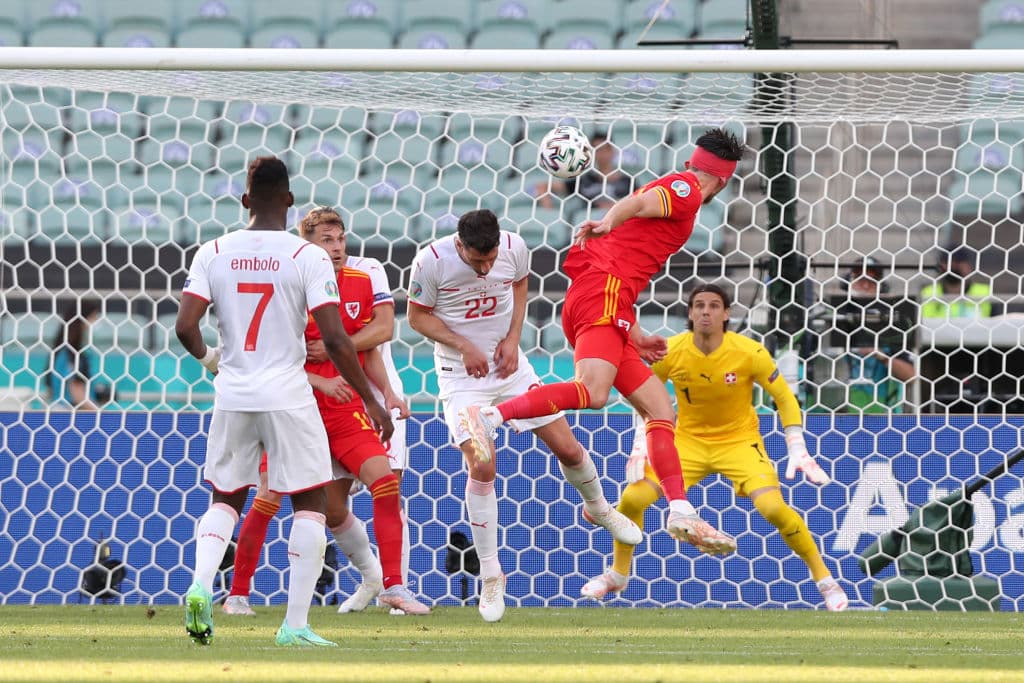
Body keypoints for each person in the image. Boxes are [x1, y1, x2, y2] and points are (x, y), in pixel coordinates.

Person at [460, 128, 744, 553]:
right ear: (723, 178)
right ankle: (490, 418)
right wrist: (611, 217)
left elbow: (633, 245)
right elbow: (638, 203)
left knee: (660, 410)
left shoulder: (683, 189)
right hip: (603, 292)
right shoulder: (686, 189)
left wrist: (633, 331)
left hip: (609, 300)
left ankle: (680, 510)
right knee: (592, 393)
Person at [175, 156, 392, 647]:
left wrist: (213, 361)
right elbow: (336, 340)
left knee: (226, 498)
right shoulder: (306, 257)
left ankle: (200, 586)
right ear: (290, 201)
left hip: (233, 392)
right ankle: (294, 625)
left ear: (245, 200)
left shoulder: (213, 251)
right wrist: (371, 401)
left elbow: (184, 327)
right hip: (290, 395)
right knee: (311, 504)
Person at [407, 208, 642, 623]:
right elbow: (416, 316)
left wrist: (514, 338)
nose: (484, 268)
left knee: (568, 449)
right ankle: (492, 575)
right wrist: (464, 346)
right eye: (477, 260)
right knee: (482, 465)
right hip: (461, 380)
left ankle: (600, 508)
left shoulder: (515, 247)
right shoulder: (431, 261)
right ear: (460, 245)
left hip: (511, 371)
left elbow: (519, 284)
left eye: (490, 258)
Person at [579, 284, 848, 611]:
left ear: (727, 313)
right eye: (699, 306)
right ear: (690, 313)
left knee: (775, 510)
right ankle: (618, 575)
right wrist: (641, 444)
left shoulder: (750, 352)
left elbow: (784, 397)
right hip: (685, 443)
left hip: (739, 444)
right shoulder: (670, 351)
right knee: (634, 497)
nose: (706, 311)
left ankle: (825, 580)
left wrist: (797, 447)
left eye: (714, 305)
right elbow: (642, 395)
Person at [221, 206, 429, 618]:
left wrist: (386, 394)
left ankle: (394, 586)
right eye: (325, 241)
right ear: (307, 246)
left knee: (384, 483)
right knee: (268, 498)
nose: (336, 249)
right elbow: (270, 354)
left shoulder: (359, 281)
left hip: (344, 408)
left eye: (339, 240)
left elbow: (368, 351)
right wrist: (318, 381)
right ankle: (237, 594)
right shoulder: (288, 286)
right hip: (293, 409)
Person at [843, 258, 916, 413]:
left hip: (883, 416)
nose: (865, 285)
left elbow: (910, 376)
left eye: (872, 280)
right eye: (859, 278)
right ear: (848, 282)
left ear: (881, 286)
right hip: (831, 415)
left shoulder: (893, 325)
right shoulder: (830, 319)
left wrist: (879, 355)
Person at [536, 132, 632, 211]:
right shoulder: (584, 181)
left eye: (604, 149)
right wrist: (549, 212)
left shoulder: (628, 181)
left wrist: (610, 206)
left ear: (612, 150)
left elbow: (636, 204)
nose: (601, 154)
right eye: (596, 150)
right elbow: (543, 186)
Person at [48, 298, 101, 410]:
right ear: (81, 319)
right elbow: (76, 392)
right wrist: (101, 415)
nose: (96, 322)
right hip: (69, 416)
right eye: (94, 317)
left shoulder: (62, 351)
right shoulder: (70, 354)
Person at [920, 247, 992, 319]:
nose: (952, 266)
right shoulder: (929, 293)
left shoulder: (984, 293)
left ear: (968, 266)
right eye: (947, 262)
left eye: (957, 262)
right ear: (940, 267)